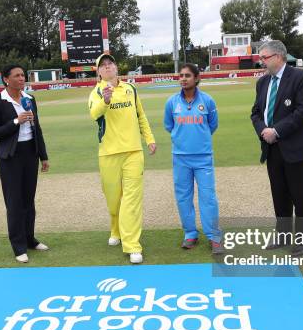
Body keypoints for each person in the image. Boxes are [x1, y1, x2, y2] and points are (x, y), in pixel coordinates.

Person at [250, 40, 303, 257]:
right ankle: (282, 235)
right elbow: (255, 112)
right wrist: (263, 130)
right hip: (272, 149)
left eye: (264, 57)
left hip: (298, 148)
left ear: (279, 57)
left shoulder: (300, 78)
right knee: (279, 195)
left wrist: (276, 131)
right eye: (260, 58)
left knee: (301, 197)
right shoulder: (262, 83)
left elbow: (302, 112)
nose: (261, 62)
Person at [88, 53, 157, 264]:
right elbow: (94, 114)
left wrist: (149, 139)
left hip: (133, 152)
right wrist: (106, 101)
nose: (108, 67)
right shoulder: (96, 92)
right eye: (103, 65)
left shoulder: (130, 89)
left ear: (116, 68)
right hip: (108, 154)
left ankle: (132, 244)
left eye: (110, 64)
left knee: (132, 199)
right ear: (99, 72)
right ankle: (115, 228)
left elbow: (140, 115)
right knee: (113, 200)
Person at [0, 64, 50, 263]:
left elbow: (37, 128)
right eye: (17, 75)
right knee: (14, 202)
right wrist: (16, 121)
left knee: (28, 201)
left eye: (23, 75)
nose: (22, 78)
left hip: (30, 152)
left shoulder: (29, 99)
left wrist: (43, 155)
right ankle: (18, 246)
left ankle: (30, 239)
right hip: (10, 157)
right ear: (6, 79)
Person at [164, 63, 223, 254]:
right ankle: (190, 233)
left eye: (187, 76)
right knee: (183, 197)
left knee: (208, 197)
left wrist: (198, 142)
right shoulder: (172, 102)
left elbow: (212, 125)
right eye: (181, 75)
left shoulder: (208, 101)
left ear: (197, 78)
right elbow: (169, 126)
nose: (183, 79)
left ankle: (214, 237)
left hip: (203, 157)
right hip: (180, 158)